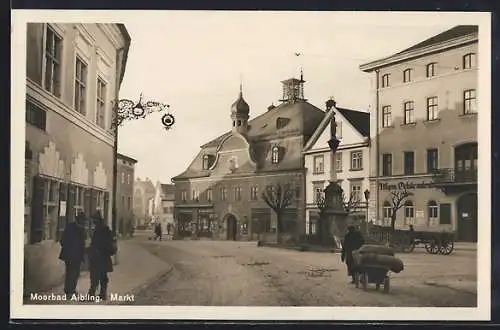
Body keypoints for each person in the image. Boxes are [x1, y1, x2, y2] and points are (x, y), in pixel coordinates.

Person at [87, 212, 116, 300]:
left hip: (99, 257)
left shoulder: (101, 230)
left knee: (95, 277)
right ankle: (102, 294)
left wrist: (93, 249)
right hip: (103, 257)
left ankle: (92, 296)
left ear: (97, 220)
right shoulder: (104, 229)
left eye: (94, 220)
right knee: (102, 277)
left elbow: (100, 243)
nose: (93, 222)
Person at [59, 212, 87, 297]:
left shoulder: (82, 230)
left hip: (77, 255)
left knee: (75, 273)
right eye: (82, 221)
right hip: (69, 255)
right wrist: (68, 249)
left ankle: (71, 290)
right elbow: (62, 240)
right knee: (70, 272)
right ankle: (69, 291)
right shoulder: (70, 227)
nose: (83, 223)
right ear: (78, 220)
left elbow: (83, 243)